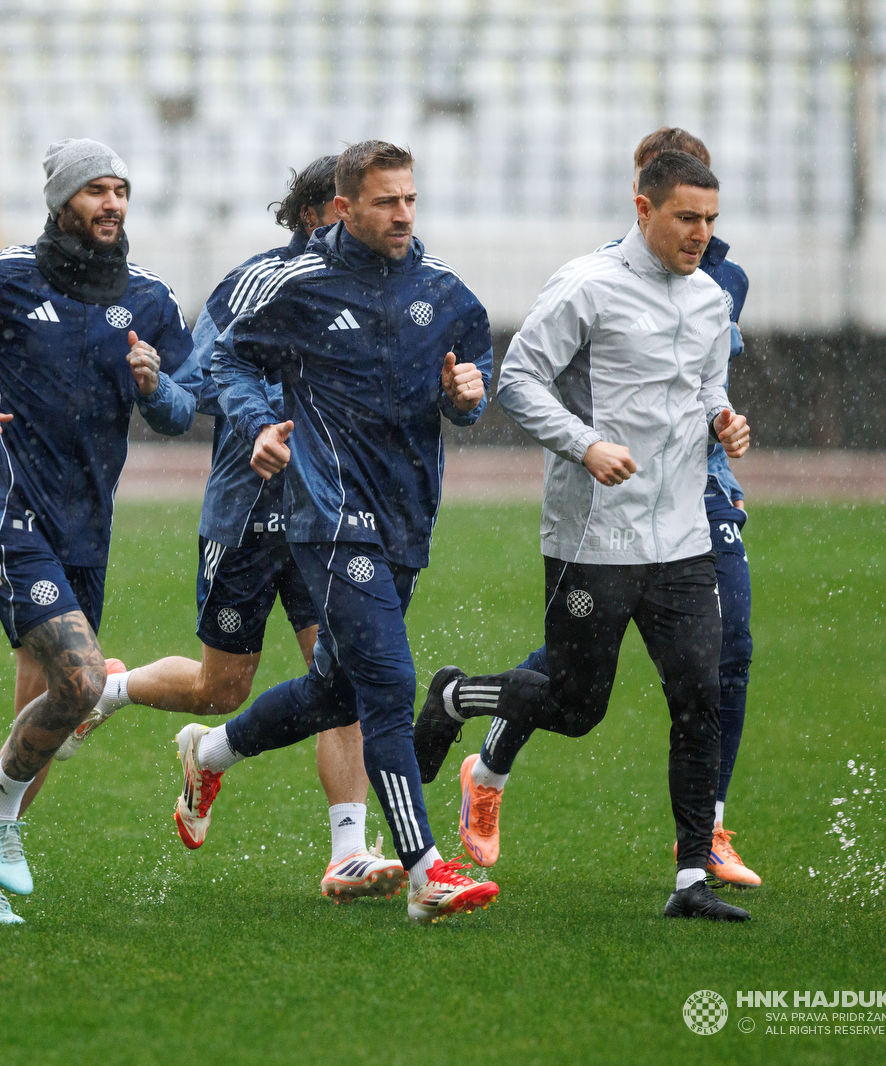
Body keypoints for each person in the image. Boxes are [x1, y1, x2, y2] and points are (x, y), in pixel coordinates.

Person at [412, 149, 754, 922]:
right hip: (593, 537)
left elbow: (706, 388)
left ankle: (690, 881)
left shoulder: (709, 299)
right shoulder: (586, 286)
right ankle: (455, 695)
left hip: (682, 540)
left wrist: (723, 421)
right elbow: (518, 382)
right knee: (574, 705)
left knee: (699, 698)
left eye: (710, 219)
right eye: (686, 217)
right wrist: (586, 444)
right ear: (643, 208)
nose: (701, 233)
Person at [170, 140, 501, 924]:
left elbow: (472, 379)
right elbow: (229, 363)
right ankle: (424, 871)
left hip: (405, 517)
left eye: (410, 199)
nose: (403, 214)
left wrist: (466, 395)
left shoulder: (443, 291)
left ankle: (209, 753)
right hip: (327, 516)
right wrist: (258, 424)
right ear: (346, 208)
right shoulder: (301, 286)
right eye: (387, 201)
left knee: (337, 689)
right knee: (387, 683)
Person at [56, 157, 405, 899]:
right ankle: (114, 693)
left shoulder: (377, 289)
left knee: (341, 680)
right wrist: (160, 388)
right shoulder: (253, 285)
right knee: (221, 689)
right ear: (320, 214)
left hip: (329, 519)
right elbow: (195, 393)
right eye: (355, 207)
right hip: (247, 516)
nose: (379, 220)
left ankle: (348, 851)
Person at [0, 138, 195, 910]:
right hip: (7, 516)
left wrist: (156, 387)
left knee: (48, 710)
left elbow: (184, 408)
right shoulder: (3, 277)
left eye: (120, 190)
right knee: (80, 681)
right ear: (60, 202)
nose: (111, 203)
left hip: (86, 529)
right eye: (95, 190)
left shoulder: (149, 298)